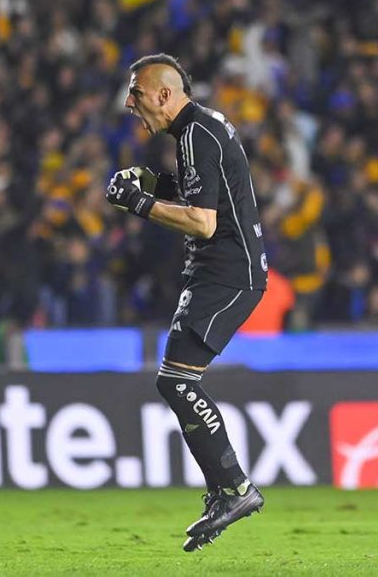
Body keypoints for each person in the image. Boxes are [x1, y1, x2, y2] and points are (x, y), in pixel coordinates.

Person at [106, 54, 268, 552]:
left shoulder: (197, 133)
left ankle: (235, 489)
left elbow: (204, 221)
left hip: (228, 274)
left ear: (163, 94)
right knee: (175, 379)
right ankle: (228, 490)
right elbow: (208, 193)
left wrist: (141, 203)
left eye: (136, 93)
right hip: (219, 273)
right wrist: (157, 184)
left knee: (176, 379)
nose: (131, 104)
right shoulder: (200, 130)